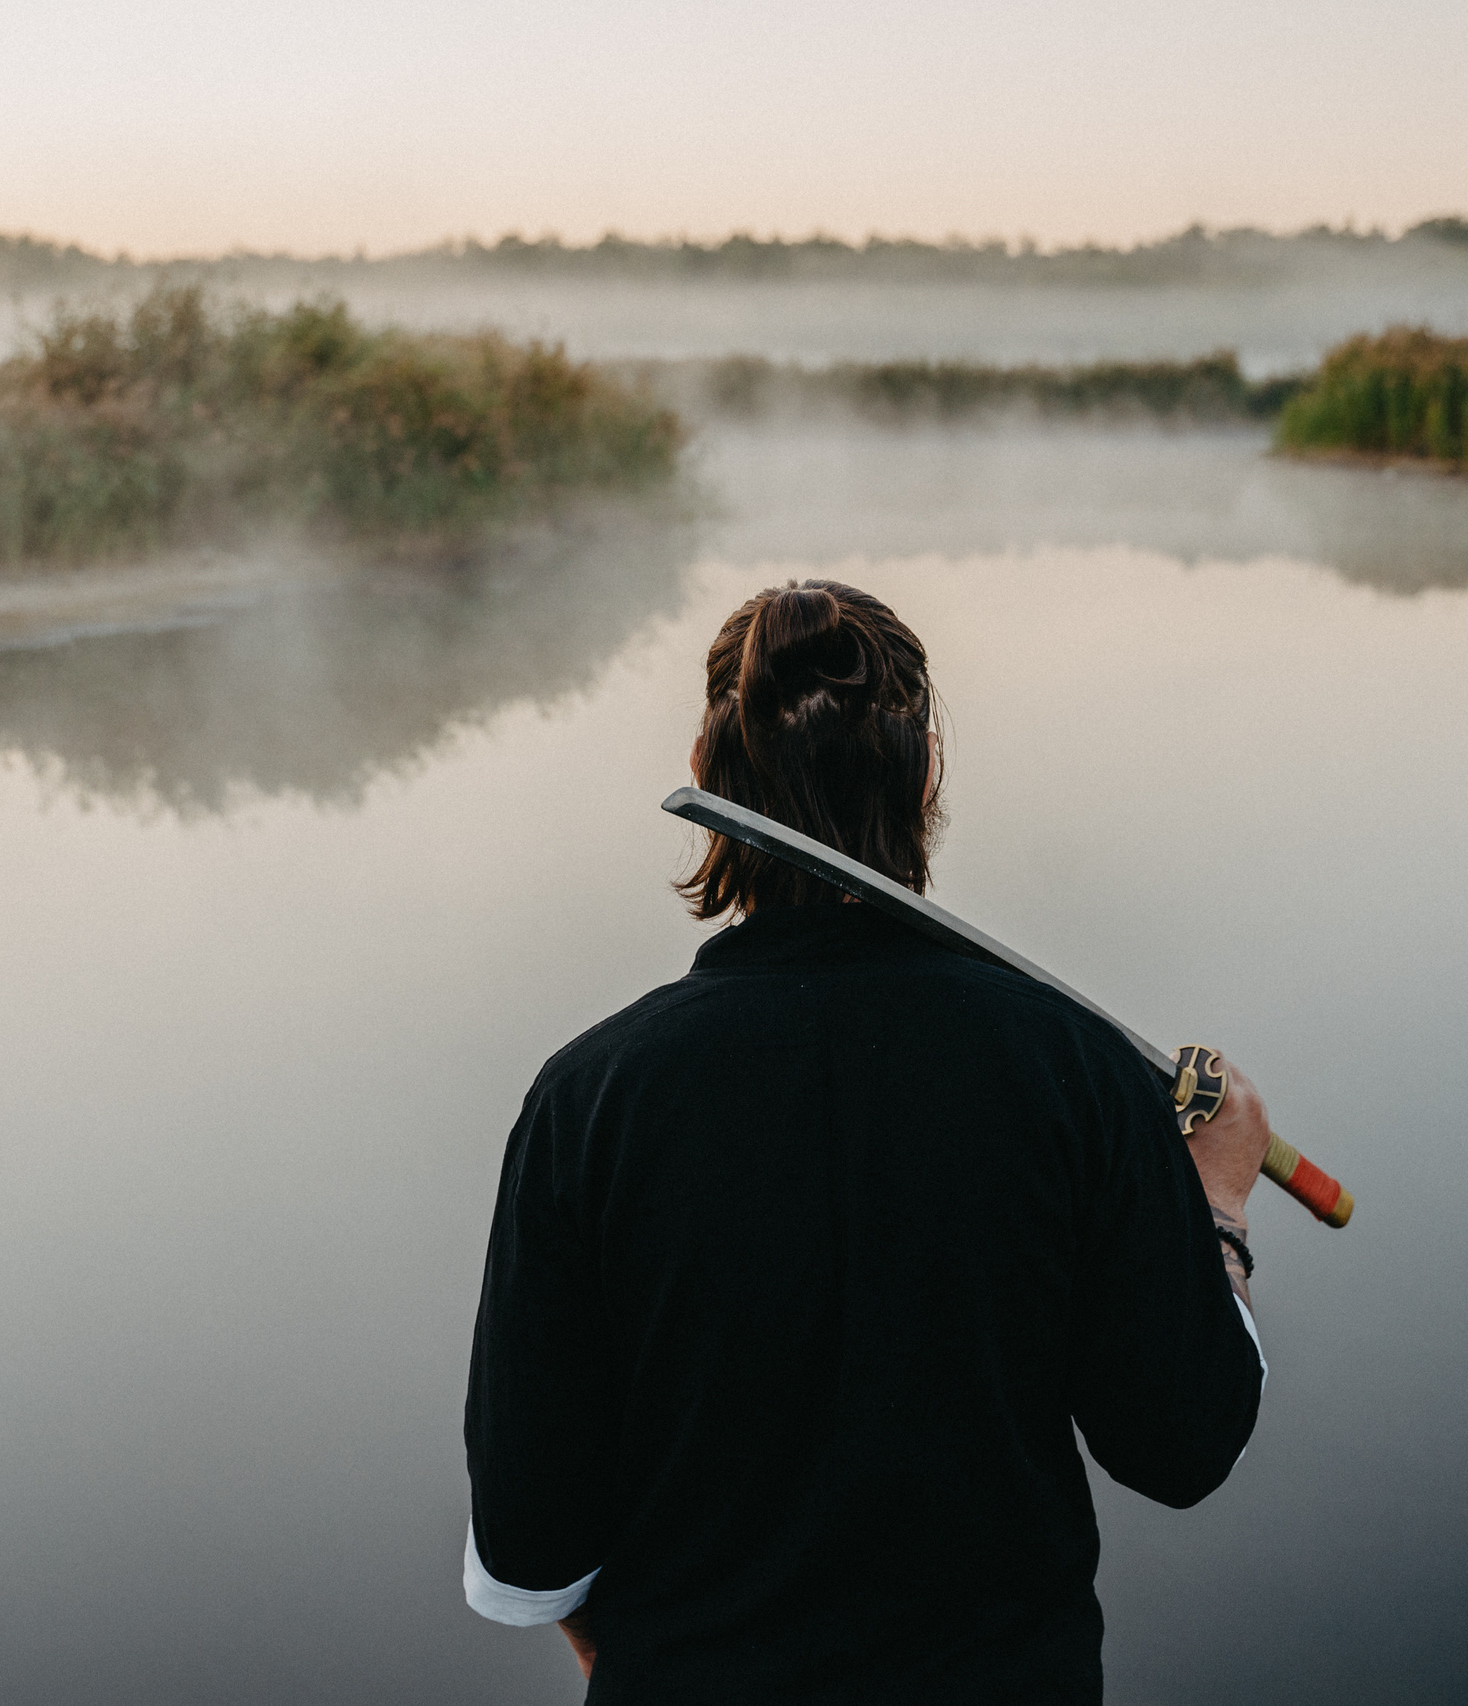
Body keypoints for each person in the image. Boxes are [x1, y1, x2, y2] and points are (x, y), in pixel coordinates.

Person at [463, 579, 1271, 1704]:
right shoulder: (1073, 1074)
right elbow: (1183, 1442)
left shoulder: (587, 1100)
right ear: (926, 767)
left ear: (706, 761)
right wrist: (1217, 1205)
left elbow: (531, 1546)